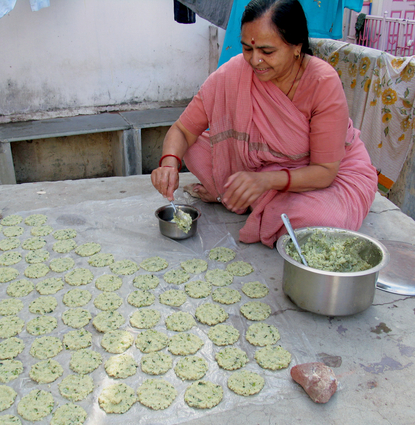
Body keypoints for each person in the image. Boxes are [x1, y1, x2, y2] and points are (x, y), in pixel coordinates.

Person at [151, 0, 378, 248]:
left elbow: (325, 171)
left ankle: (244, 197)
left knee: (319, 220)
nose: (255, 61)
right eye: (247, 49)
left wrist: (265, 181)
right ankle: (247, 196)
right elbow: (183, 130)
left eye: (267, 52)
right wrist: (169, 163)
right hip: (257, 166)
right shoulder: (233, 73)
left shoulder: (322, 82)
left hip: (319, 175)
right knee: (193, 149)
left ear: (296, 47)